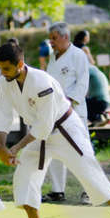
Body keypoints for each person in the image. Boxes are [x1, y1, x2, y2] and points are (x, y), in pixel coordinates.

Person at [0, 40, 110, 218]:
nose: (3, 73)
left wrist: (15, 147)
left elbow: (44, 125)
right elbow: (3, 114)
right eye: (0, 69)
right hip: (36, 135)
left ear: (20, 64)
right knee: (24, 175)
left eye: (6, 68)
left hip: (65, 130)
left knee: (89, 171)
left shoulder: (42, 82)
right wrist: (2, 147)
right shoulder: (4, 82)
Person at [45, 23, 89, 204]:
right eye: (50, 38)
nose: (51, 42)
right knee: (55, 149)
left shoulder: (78, 55)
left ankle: (89, 190)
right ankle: (57, 190)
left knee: (82, 150)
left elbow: (82, 83)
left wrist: (69, 102)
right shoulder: (53, 57)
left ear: (65, 37)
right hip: (54, 111)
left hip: (74, 111)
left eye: (54, 38)